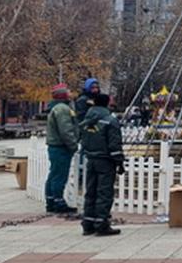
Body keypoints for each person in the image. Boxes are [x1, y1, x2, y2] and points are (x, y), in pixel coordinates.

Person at [79, 92, 125, 236]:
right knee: (104, 193)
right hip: (105, 160)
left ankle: (88, 223)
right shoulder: (110, 120)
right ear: (106, 103)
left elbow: (82, 138)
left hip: (91, 158)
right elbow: (114, 143)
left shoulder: (87, 119)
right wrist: (119, 162)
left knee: (90, 192)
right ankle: (101, 223)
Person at [45, 83, 79, 214]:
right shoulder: (63, 109)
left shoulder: (57, 108)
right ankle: (58, 202)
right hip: (61, 147)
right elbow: (66, 130)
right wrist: (73, 145)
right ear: (63, 94)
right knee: (60, 175)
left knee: (53, 174)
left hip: (55, 146)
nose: (70, 93)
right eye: (68, 91)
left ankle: (51, 200)